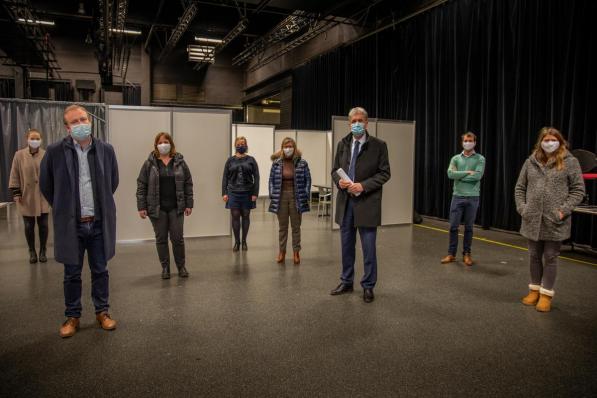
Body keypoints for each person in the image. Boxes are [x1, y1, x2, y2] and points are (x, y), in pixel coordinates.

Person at [40, 104, 119, 338]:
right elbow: (47, 185)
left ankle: (102, 312)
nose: (81, 124)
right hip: (71, 224)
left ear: (90, 121)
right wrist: (64, 206)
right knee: (71, 273)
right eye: (75, 122)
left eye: (83, 119)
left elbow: (112, 181)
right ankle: (72, 316)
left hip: (97, 223)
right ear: (67, 127)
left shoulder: (106, 150)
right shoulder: (54, 152)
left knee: (100, 270)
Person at [515, 127, 585, 312]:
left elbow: (578, 190)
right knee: (534, 256)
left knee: (551, 257)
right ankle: (534, 290)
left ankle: (546, 294)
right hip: (532, 219)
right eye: (546, 140)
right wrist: (523, 208)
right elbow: (520, 188)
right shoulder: (530, 162)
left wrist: (563, 211)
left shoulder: (571, 162)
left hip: (555, 220)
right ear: (540, 142)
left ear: (560, 142)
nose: (549, 142)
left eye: (553, 139)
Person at [330, 107, 391, 303]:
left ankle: (368, 286)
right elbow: (334, 171)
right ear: (349, 124)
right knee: (346, 246)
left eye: (360, 120)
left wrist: (362, 186)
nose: (356, 123)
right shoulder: (342, 144)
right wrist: (339, 182)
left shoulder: (379, 145)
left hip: (367, 203)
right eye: (353, 121)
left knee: (369, 248)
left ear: (367, 123)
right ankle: (347, 281)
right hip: (346, 203)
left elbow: (384, 173)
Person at [136, 132, 193, 279]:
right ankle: (165, 267)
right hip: (157, 208)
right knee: (161, 239)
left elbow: (188, 183)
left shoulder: (180, 162)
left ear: (171, 144)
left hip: (176, 207)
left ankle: (181, 267)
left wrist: (189, 204)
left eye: (166, 141)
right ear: (156, 145)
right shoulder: (150, 163)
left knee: (177, 238)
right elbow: (141, 185)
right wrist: (141, 206)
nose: (163, 145)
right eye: (160, 142)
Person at [441, 132, 486, 266]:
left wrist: (458, 175)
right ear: (462, 142)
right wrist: (467, 172)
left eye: (470, 140)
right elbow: (450, 174)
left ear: (475, 142)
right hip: (457, 196)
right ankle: (451, 254)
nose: (468, 142)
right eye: (465, 140)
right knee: (453, 227)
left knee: (469, 228)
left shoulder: (480, 159)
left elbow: (477, 176)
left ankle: (467, 254)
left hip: (473, 198)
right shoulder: (455, 158)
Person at [9, 129, 50, 264]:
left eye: (37, 138)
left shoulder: (46, 154)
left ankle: (43, 250)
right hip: (26, 196)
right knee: (28, 226)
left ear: (41, 139)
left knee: (43, 225)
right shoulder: (19, 155)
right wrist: (16, 193)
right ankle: (32, 251)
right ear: (27, 139)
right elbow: (14, 174)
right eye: (32, 138)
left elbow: (51, 175)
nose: (35, 140)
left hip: (43, 196)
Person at [268, 137, 312, 265]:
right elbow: (271, 180)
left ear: (294, 147)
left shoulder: (302, 163)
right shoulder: (276, 163)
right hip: (281, 197)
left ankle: (296, 252)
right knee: (282, 228)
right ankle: (282, 251)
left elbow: (308, 179)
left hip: (296, 197)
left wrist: (305, 193)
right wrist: (272, 193)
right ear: (282, 148)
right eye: (286, 146)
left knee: (296, 227)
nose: (288, 148)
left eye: (290, 146)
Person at [222, 136, 259, 251]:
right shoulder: (230, 160)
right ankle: (237, 242)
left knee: (246, 215)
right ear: (235, 145)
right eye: (238, 144)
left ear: (246, 145)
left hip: (248, 192)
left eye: (243, 144)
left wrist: (255, 193)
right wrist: (224, 193)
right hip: (233, 192)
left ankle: (244, 241)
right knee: (235, 216)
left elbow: (256, 177)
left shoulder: (251, 160)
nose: (241, 146)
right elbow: (224, 177)